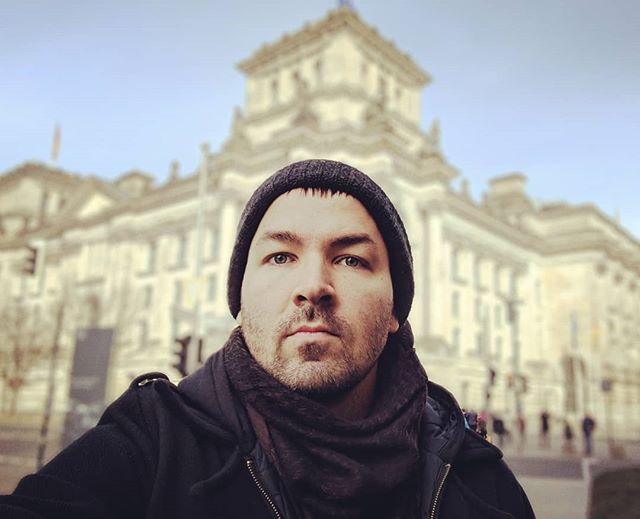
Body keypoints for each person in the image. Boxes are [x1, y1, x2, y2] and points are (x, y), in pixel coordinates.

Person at [0, 160, 534, 518]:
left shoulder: (478, 480)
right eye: (280, 256)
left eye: (351, 259)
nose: (312, 286)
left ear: (397, 308)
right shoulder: (148, 444)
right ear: (241, 296)